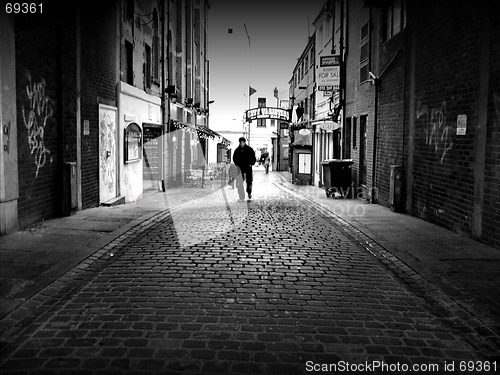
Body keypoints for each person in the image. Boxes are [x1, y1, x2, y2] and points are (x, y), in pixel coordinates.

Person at [233, 137, 256, 201]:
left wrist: (251, 163)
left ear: (245, 142)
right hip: (240, 168)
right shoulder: (237, 150)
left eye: (243, 142)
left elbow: (253, 158)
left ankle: (249, 192)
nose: (242, 143)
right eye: (241, 142)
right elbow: (234, 159)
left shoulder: (249, 149)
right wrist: (237, 165)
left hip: (248, 167)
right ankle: (241, 197)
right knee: (240, 182)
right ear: (239, 143)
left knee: (249, 181)